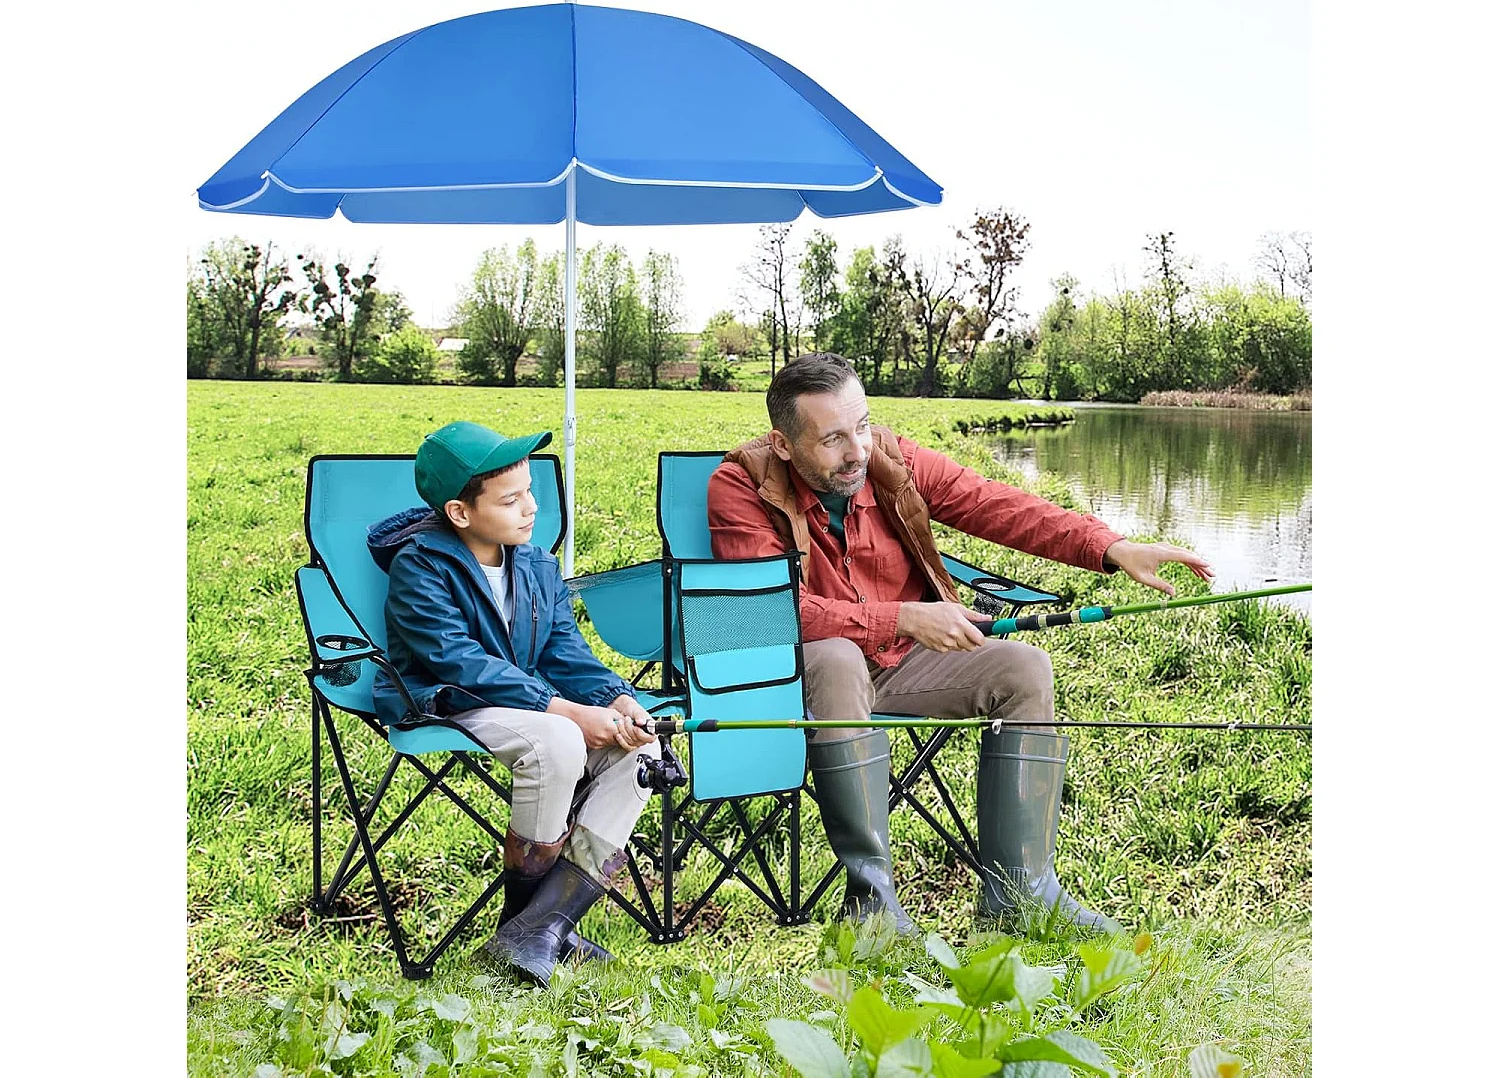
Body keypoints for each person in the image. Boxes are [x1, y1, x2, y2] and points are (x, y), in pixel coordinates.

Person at [707, 353, 1212, 934]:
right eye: (833, 439)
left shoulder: (891, 461)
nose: (857, 451)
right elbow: (765, 615)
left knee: (1023, 669)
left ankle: (1021, 896)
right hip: (800, 672)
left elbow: (993, 503)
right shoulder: (740, 485)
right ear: (784, 444)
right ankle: (873, 910)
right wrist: (904, 617)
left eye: (863, 426)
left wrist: (1110, 547)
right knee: (839, 657)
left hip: (898, 664)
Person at [366, 420, 659, 987]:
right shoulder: (419, 565)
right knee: (558, 740)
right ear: (459, 512)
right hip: (448, 700)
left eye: (529, 491)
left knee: (643, 755)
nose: (531, 507)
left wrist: (619, 700)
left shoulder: (536, 565)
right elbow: (457, 661)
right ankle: (533, 929)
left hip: (527, 702)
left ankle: (539, 928)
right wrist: (567, 711)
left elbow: (564, 652)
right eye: (510, 500)